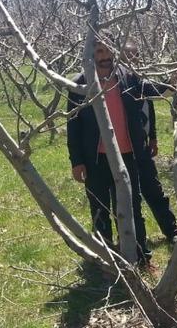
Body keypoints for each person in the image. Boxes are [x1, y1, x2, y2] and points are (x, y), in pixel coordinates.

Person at [67, 35, 169, 263]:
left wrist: (172, 82)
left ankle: (141, 258)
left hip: (127, 156)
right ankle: (107, 261)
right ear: (90, 55)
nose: (104, 57)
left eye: (107, 51)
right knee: (100, 210)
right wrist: (76, 161)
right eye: (99, 52)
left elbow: (148, 90)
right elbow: (73, 127)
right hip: (96, 159)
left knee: (132, 208)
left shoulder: (127, 77)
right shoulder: (80, 85)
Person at [120, 43, 177, 242]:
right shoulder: (120, 84)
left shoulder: (139, 80)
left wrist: (152, 136)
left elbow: (149, 110)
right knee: (129, 196)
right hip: (125, 148)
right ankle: (134, 239)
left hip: (142, 145)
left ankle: (172, 231)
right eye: (128, 55)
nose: (133, 59)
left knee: (154, 190)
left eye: (136, 55)